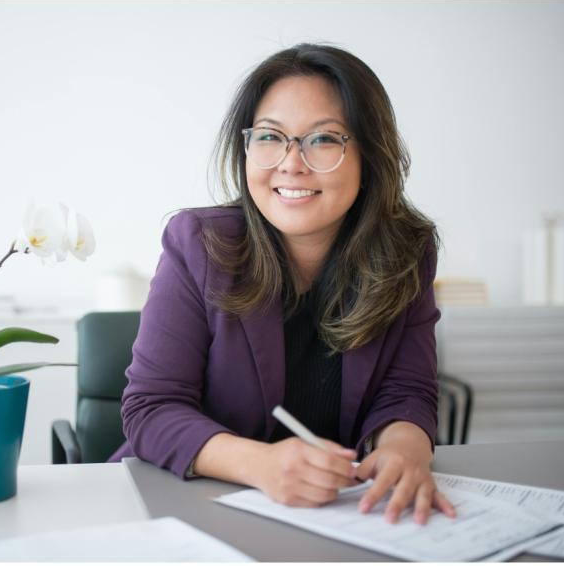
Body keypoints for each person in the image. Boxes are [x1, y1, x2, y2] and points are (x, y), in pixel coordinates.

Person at [109, 43, 457, 525]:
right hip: (183, 510)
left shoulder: (405, 252)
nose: (291, 164)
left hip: (338, 518)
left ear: (370, 157)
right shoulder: (199, 244)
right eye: (270, 136)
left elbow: (407, 392)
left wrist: (404, 450)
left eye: (323, 139)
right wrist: (261, 465)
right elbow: (151, 409)